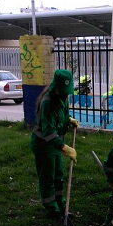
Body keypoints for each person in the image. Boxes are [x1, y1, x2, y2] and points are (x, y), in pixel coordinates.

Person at [30, 69, 79, 218]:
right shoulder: (47, 102)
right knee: (48, 179)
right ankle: (52, 209)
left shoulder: (63, 98)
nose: (66, 94)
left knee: (58, 176)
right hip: (44, 145)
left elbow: (60, 116)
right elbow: (48, 131)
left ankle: (61, 205)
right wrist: (64, 148)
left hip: (56, 145)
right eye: (63, 91)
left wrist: (68, 120)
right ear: (55, 87)